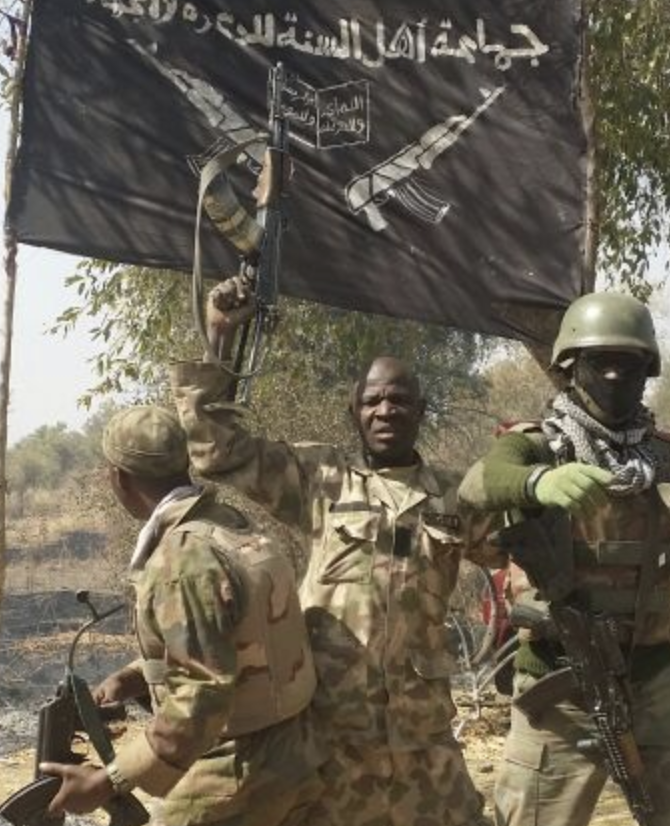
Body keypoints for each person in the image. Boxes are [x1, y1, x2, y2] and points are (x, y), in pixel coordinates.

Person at [170, 277, 497, 826]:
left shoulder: (456, 495)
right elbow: (217, 452)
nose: (385, 410)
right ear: (354, 411)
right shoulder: (321, 479)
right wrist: (220, 337)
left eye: (399, 400)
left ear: (422, 409)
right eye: (372, 401)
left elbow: (520, 552)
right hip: (331, 738)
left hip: (423, 743)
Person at [461, 291, 670, 826]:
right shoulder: (537, 446)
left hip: (653, 685)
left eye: (630, 364)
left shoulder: (660, 459)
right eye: (601, 362)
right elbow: (480, 484)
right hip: (559, 687)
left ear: (648, 372)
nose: (615, 376)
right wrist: (539, 482)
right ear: (571, 367)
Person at [41, 405, 324, 826]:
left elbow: (202, 694)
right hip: (293, 753)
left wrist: (106, 780)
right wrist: (137, 675)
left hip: (234, 772)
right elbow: (229, 638)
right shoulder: (228, 524)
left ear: (118, 477)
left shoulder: (183, 559)